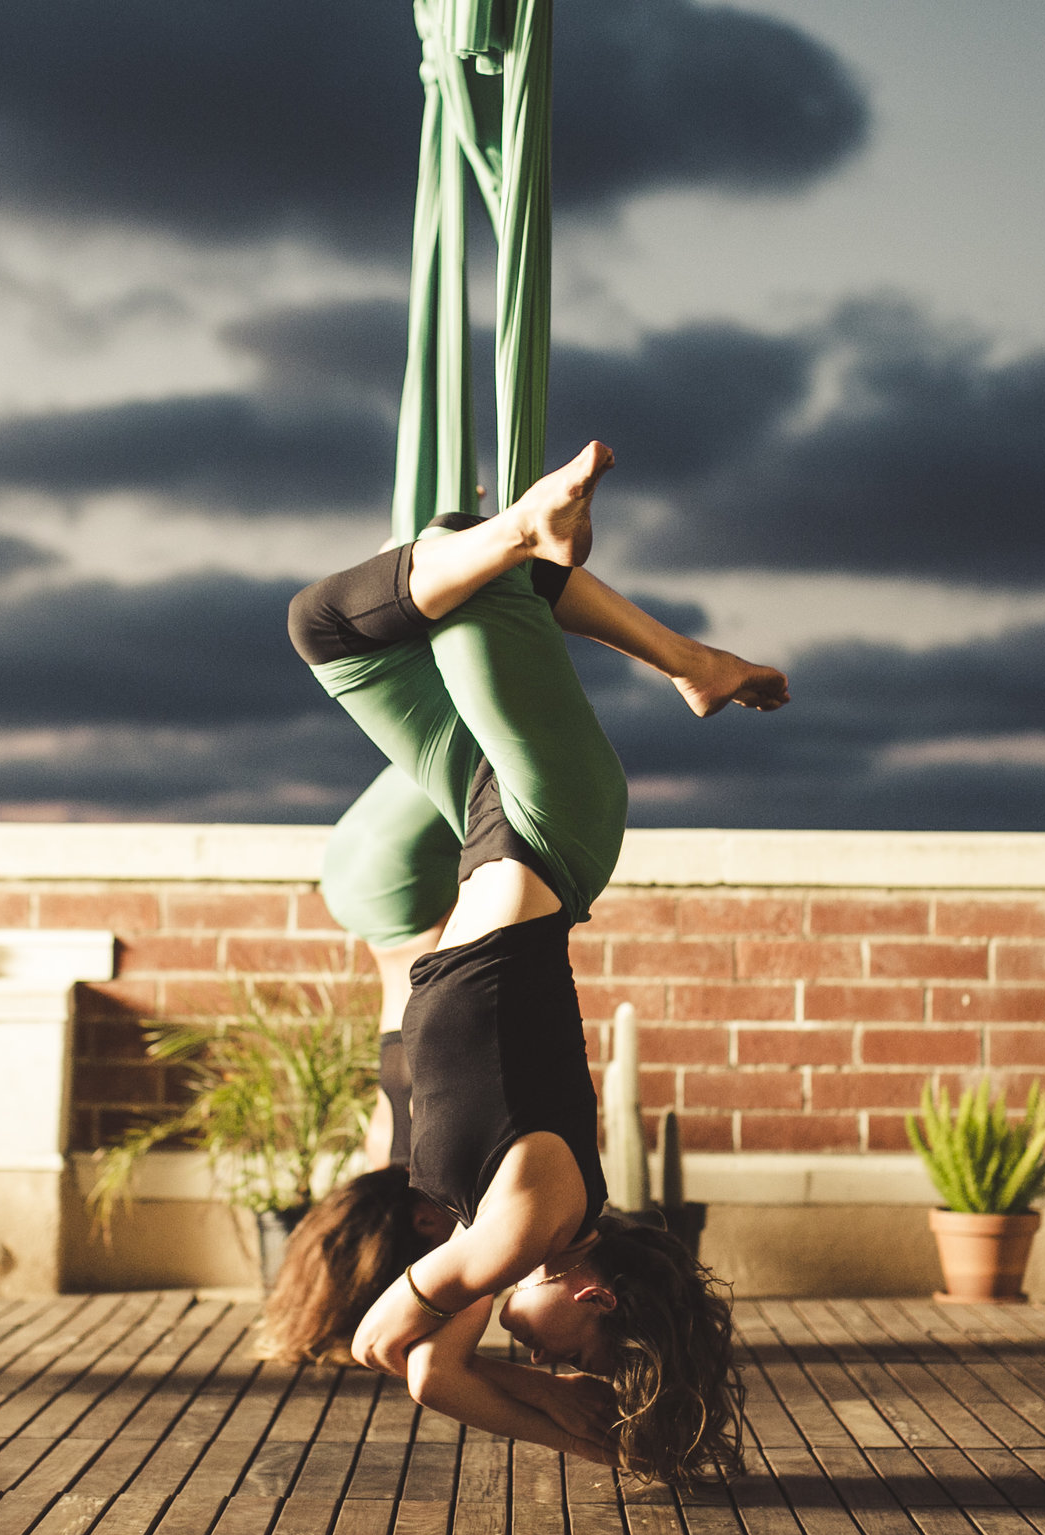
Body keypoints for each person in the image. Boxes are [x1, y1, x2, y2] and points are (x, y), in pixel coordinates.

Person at [286, 444, 746, 1482]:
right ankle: (659, 639)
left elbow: (431, 1379)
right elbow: (381, 1336)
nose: (528, 1349)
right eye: (565, 1347)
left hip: (495, 826)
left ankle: (692, 665)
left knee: (370, 617)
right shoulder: (528, 1221)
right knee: (412, 596)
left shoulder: (500, 1233)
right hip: (551, 824)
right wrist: (571, 1397)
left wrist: (600, 1430)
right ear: (597, 1294)